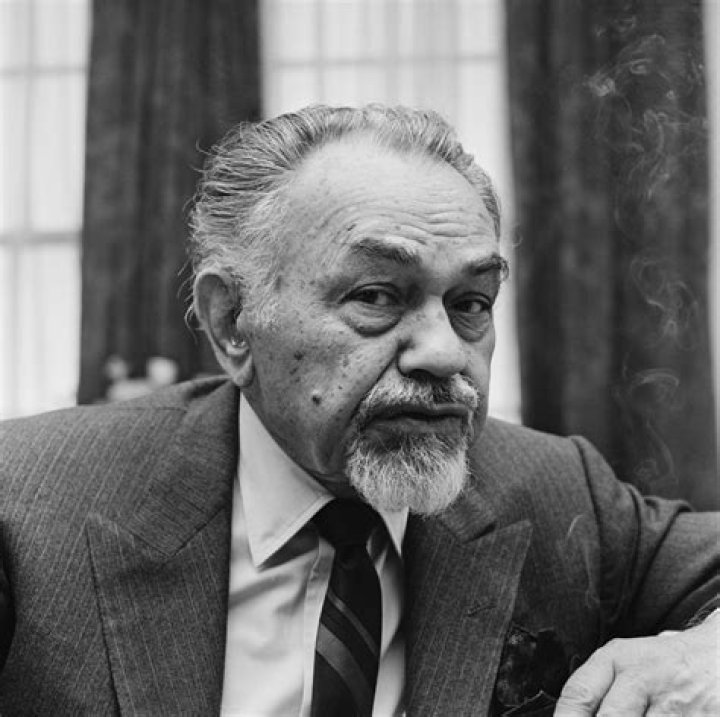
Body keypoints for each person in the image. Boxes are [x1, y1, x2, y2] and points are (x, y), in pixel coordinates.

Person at [0, 104, 717, 717]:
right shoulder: (27, 508)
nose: (444, 353)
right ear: (232, 322)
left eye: (471, 303)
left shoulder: (561, 494)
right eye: (377, 295)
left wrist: (704, 654)